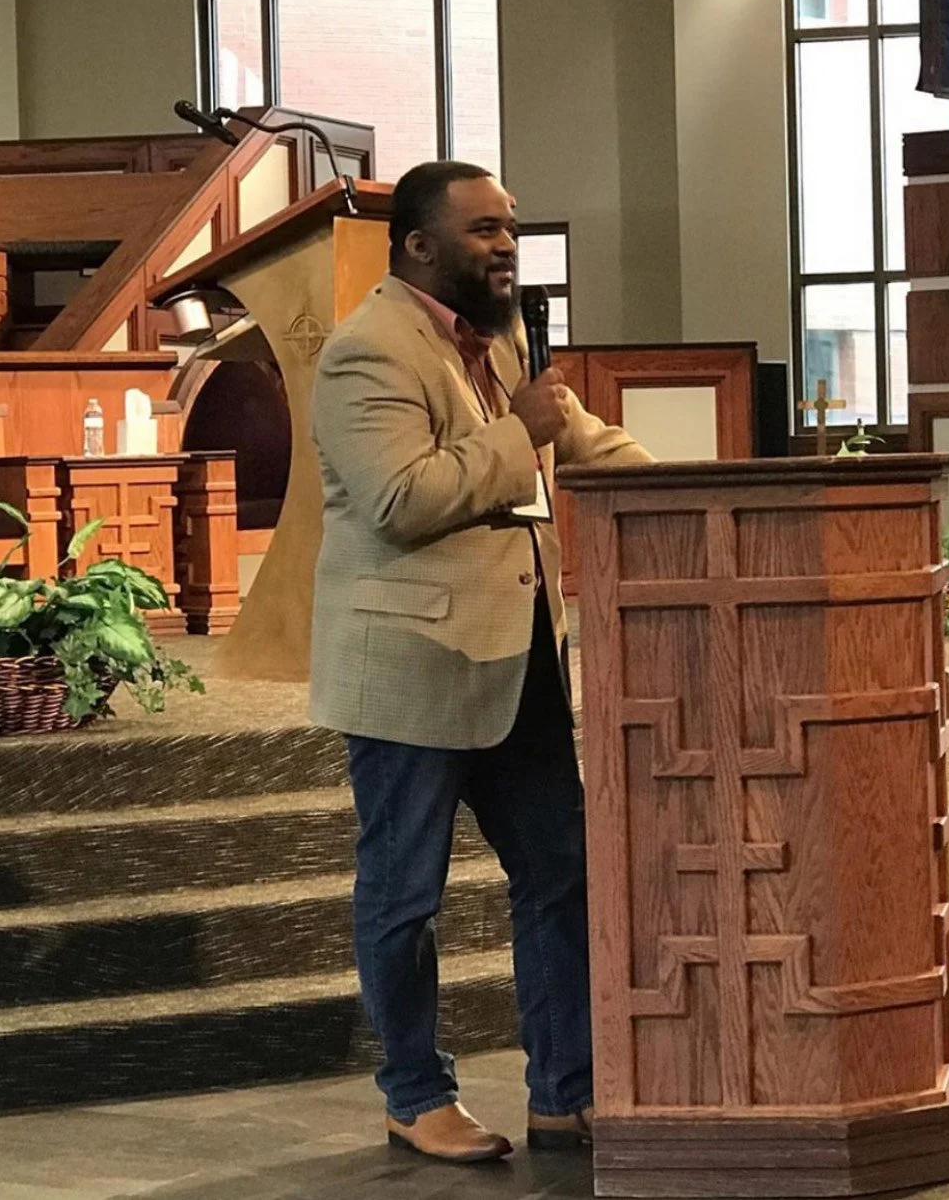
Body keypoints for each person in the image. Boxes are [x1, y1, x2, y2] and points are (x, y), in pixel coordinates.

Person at [310, 161, 652, 1164]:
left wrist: (710, 489)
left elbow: (578, 439)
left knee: (560, 873)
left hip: (518, 659)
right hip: (411, 665)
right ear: (419, 245)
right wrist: (520, 434)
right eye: (483, 230)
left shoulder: (496, 337)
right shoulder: (364, 352)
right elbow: (401, 499)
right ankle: (415, 1093)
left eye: (510, 226)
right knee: (404, 895)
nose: (505, 244)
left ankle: (566, 1092)